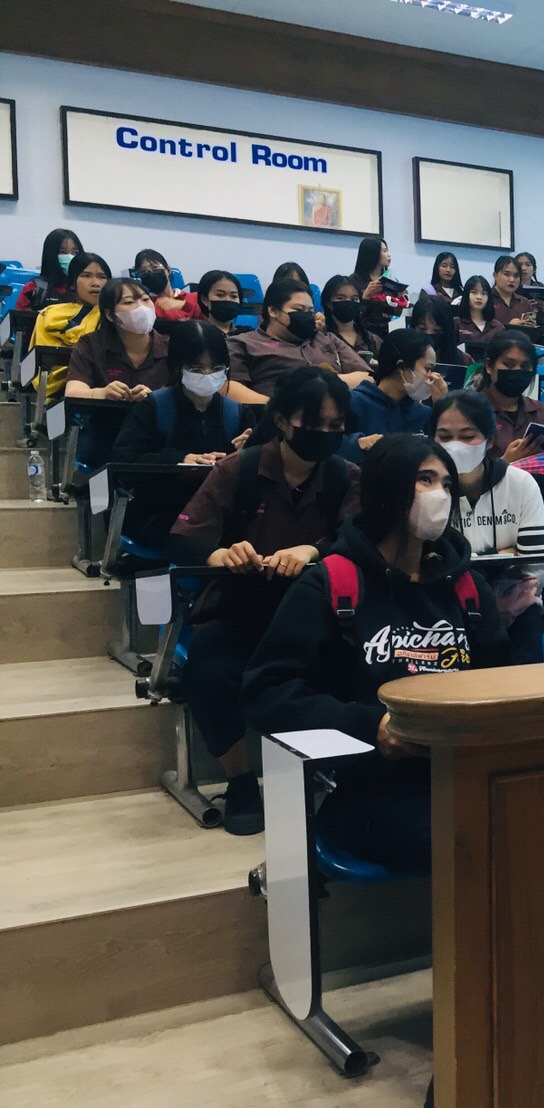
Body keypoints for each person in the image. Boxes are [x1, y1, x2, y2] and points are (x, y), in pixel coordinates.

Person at [242, 434, 510, 870]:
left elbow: (503, 680)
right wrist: (372, 727)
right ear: (388, 488)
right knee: (473, 833)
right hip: (371, 787)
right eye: (425, 480)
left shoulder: (466, 587)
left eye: (447, 483)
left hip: (464, 771)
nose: (440, 494)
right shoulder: (331, 583)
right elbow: (267, 693)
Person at [170, 367, 360, 834]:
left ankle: (336, 768)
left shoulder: (347, 476)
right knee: (209, 672)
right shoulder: (238, 469)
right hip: (239, 609)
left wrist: (313, 551)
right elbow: (184, 535)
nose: (325, 434)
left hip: (317, 615)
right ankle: (240, 781)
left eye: (335, 426)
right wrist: (219, 553)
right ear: (281, 420)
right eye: (313, 424)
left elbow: (359, 540)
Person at [432, 391, 544, 665]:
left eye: (468, 436)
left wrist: (468, 561)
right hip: (446, 612)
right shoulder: (426, 489)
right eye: (444, 436)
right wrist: (502, 553)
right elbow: (429, 563)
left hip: (517, 611)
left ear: (489, 440)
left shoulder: (521, 483)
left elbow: (536, 566)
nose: (455, 446)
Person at [111, 321, 247, 546]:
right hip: (161, 511)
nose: (207, 375)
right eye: (196, 368)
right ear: (177, 366)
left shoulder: (237, 413)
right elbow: (123, 462)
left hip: (219, 512)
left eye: (215, 368)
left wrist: (248, 453)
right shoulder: (153, 407)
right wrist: (180, 459)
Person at [227, 278, 370, 399]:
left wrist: (318, 381)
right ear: (273, 311)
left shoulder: (328, 339)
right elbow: (231, 388)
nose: (306, 315)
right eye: (299, 310)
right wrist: (278, 407)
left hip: (334, 413)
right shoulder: (243, 343)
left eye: (310, 311)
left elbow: (366, 377)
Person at [342, 329, 446, 462]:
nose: (432, 376)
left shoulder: (424, 414)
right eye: (428, 369)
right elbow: (330, 447)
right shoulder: (353, 403)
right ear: (401, 367)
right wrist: (357, 444)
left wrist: (442, 407)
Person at [64, 277, 169, 400]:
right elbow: (72, 393)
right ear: (110, 315)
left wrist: (155, 399)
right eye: (129, 302)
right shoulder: (91, 344)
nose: (142, 308)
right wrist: (102, 393)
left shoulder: (172, 346)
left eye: (146, 299)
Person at [29, 253, 111, 402]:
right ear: (72, 283)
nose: (96, 283)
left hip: (107, 387)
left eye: (102, 277)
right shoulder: (49, 314)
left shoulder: (112, 316)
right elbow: (44, 363)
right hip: (58, 392)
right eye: (86, 276)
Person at [469, 332, 544, 460]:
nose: (517, 371)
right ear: (489, 366)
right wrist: (505, 462)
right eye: (509, 364)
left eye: (525, 366)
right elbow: (460, 468)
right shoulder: (468, 411)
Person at [349, 236, 408, 337]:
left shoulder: (390, 279)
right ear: (373, 254)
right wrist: (365, 297)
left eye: (387, 250)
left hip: (389, 330)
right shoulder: (354, 280)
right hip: (364, 331)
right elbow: (351, 314)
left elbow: (396, 314)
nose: (389, 255)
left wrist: (401, 300)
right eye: (384, 251)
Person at [16, 227, 83, 311]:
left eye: (75, 253)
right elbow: (22, 317)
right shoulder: (34, 288)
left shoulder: (85, 288)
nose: (70, 257)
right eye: (62, 252)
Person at [321, 275, 380, 363]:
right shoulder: (320, 338)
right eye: (340, 298)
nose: (348, 302)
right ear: (328, 303)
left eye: (354, 299)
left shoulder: (373, 340)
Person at [409, 296, 471, 368]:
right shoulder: (404, 359)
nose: (429, 334)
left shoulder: (465, 361)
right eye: (422, 329)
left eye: (437, 330)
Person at [131, 249, 191, 321]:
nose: (150, 273)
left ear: (168, 270)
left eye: (155, 268)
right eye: (143, 272)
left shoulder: (193, 297)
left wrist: (183, 305)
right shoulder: (146, 306)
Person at [488, 255, 540, 330]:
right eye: (506, 274)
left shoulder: (524, 303)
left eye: (516, 276)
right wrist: (509, 327)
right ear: (495, 275)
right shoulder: (487, 299)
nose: (512, 280)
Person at [188, 270, 246, 335]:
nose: (227, 300)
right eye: (220, 295)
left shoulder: (248, 335)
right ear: (204, 299)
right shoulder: (194, 334)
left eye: (234, 296)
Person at [455, 274, 504, 350]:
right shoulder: (456, 323)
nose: (479, 297)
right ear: (466, 295)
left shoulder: (497, 327)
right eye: (474, 292)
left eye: (484, 293)